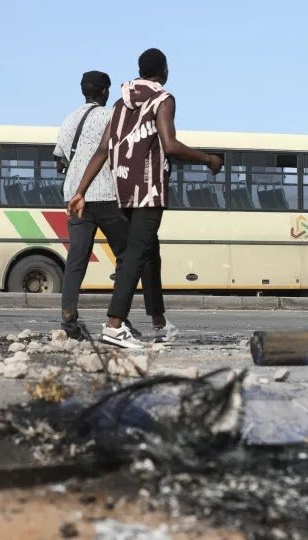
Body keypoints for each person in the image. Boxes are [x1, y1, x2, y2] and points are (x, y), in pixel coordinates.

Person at [69, 48, 223, 348]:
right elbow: (171, 145)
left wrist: (80, 191)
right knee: (136, 255)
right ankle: (114, 325)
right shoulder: (163, 99)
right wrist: (208, 159)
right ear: (164, 70)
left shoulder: (119, 102)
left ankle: (159, 322)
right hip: (150, 191)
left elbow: (103, 149)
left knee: (150, 253)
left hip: (124, 189)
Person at [54, 71, 147, 341]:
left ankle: (69, 320)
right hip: (105, 193)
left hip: (74, 196)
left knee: (76, 259)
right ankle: (118, 319)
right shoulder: (111, 116)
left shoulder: (69, 118)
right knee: (128, 255)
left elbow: (59, 162)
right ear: (105, 92)